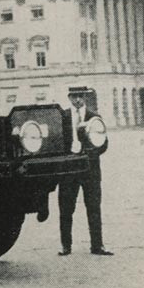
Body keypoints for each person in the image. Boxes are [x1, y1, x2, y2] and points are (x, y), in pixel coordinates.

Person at [58, 85, 113, 256]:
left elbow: (103, 143)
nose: (77, 100)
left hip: (90, 169)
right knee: (66, 207)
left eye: (80, 96)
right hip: (68, 169)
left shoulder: (94, 117)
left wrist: (91, 151)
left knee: (94, 207)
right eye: (74, 96)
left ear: (85, 97)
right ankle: (66, 246)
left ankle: (97, 245)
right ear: (69, 97)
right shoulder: (62, 117)